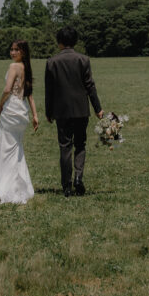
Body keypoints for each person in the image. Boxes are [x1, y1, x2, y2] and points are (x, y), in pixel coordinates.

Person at [45, 26, 103, 197]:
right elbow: (90, 86)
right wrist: (98, 108)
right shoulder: (83, 60)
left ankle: (66, 186)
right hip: (81, 110)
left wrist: (49, 112)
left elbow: (49, 90)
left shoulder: (51, 62)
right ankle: (78, 176)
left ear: (59, 42)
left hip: (61, 111)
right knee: (80, 145)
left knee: (65, 147)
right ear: (75, 41)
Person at [0, 40, 39, 204]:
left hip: (11, 110)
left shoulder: (14, 67)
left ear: (23, 52)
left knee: (7, 148)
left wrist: (0, 104)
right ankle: (21, 185)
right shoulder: (25, 67)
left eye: (17, 50)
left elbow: (7, 90)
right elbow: (29, 95)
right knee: (16, 148)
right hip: (21, 111)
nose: (13, 52)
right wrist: (35, 115)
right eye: (11, 49)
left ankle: (7, 187)